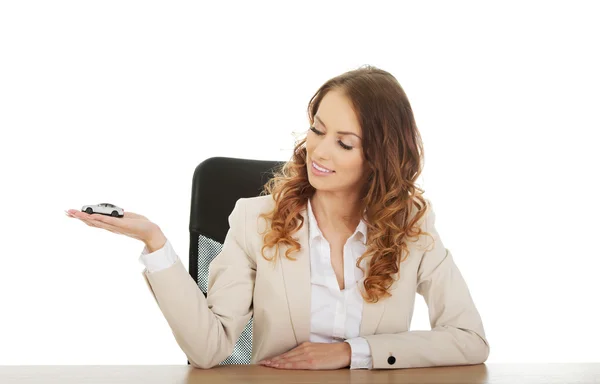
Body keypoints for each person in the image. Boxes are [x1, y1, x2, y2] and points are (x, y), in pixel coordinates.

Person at [65, 65, 489, 370]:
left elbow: (469, 340)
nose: (319, 151)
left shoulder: (411, 226)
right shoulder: (255, 220)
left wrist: (350, 353)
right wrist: (155, 243)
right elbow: (209, 349)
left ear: (381, 157)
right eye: (318, 130)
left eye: (345, 143)